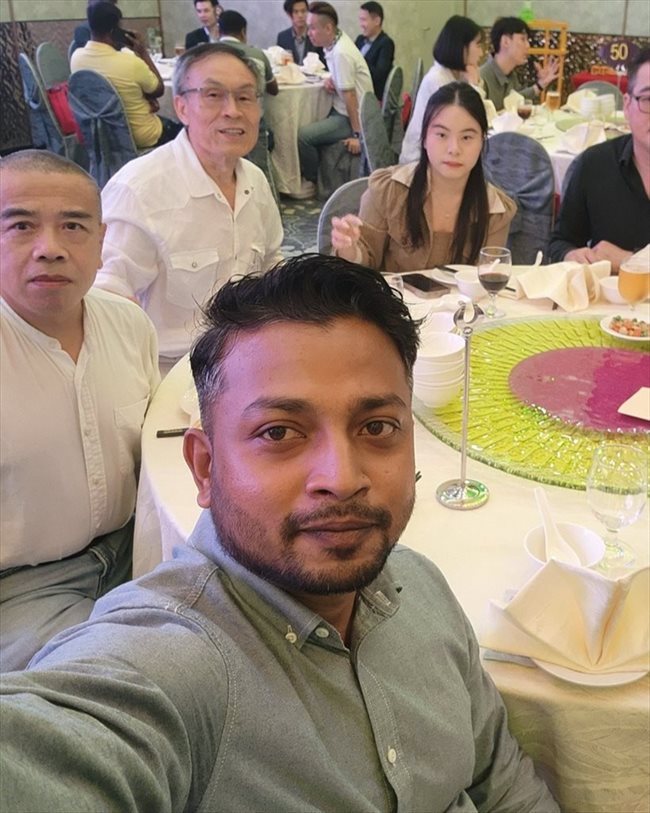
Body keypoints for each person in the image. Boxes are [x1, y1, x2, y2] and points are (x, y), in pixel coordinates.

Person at [0, 254, 559, 812]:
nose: (342, 478)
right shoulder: (169, 664)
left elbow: (503, 784)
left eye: (377, 426)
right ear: (205, 467)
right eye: (279, 432)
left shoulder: (421, 586)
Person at [0, 150, 159, 673]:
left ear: (101, 240)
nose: (50, 249)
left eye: (73, 226)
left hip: (134, 546)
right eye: (21, 226)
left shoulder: (129, 325)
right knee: (105, 681)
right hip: (23, 587)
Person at [94, 43, 283, 368]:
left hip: (246, 360)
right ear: (181, 107)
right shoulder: (139, 190)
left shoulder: (255, 180)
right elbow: (103, 296)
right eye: (213, 95)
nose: (233, 111)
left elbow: (270, 264)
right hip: (167, 370)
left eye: (245, 97)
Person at [332, 82, 516, 273]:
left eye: (467, 137)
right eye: (442, 135)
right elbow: (365, 262)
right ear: (425, 139)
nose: (454, 149)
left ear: (482, 143)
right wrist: (350, 250)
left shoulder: (494, 210)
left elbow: (487, 277)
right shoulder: (389, 190)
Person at [549, 47, 650, 271]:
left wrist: (630, 262)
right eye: (648, 99)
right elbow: (560, 243)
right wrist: (571, 255)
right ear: (627, 106)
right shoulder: (594, 165)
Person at [70, 1, 182, 149]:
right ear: (114, 30)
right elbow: (159, 90)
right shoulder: (130, 62)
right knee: (184, 131)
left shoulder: (76, 58)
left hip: (101, 134)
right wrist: (143, 52)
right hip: (140, 136)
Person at [297, 1, 374, 198]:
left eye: (312, 28)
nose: (309, 33)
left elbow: (350, 96)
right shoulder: (336, 42)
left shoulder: (341, 52)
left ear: (328, 28)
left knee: (304, 137)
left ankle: (314, 183)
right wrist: (334, 78)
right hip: (342, 108)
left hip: (350, 116)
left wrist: (358, 135)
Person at [400, 15, 484, 165]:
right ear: (461, 47)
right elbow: (472, 120)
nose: (481, 53)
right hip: (420, 161)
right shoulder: (438, 80)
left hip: (441, 153)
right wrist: (474, 85)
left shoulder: (457, 75)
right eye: (478, 45)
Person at [480, 16, 559, 112]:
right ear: (505, 41)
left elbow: (519, 100)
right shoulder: (481, 78)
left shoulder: (511, 75)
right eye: (523, 39)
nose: (528, 46)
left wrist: (541, 84)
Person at [218, 10, 279, 98]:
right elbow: (274, 90)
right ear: (243, 32)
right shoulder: (258, 55)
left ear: (218, 31)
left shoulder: (206, 55)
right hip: (251, 105)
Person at [355, 1, 394, 100]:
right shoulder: (360, 39)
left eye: (364, 20)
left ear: (377, 21)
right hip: (355, 88)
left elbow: (378, 76)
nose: (360, 24)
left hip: (371, 97)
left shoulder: (386, 44)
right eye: (360, 20)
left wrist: (359, 60)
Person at [276, 0, 324, 66]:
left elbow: (324, 65)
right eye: (296, 12)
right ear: (289, 15)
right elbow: (279, 65)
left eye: (303, 11)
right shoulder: (282, 37)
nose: (300, 15)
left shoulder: (317, 35)